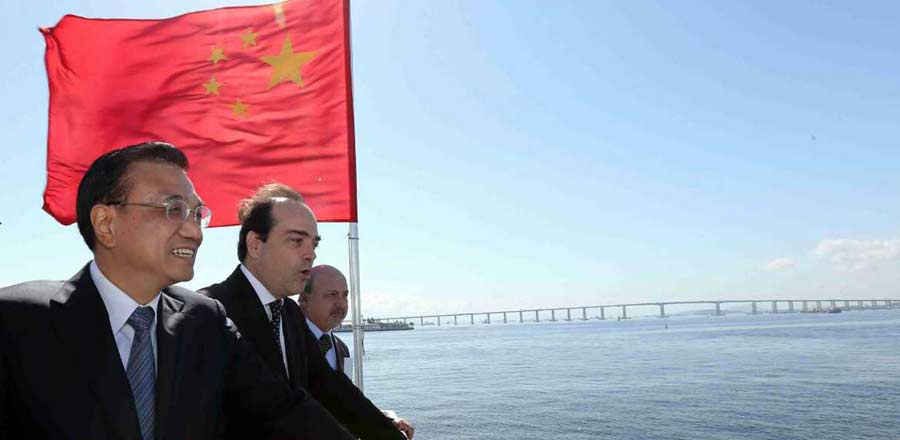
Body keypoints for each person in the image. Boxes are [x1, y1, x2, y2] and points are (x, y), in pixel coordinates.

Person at [0, 142, 355, 440]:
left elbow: (286, 412)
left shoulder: (206, 322)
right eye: (173, 210)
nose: (194, 232)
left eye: (197, 214)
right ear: (106, 224)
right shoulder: (17, 323)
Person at [200, 183, 406, 440]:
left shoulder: (289, 313)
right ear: (255, 244)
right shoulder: (210, 313)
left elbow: (330, 388)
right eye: (297, 241)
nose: (310, 254)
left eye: (313, 244)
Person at [300, 265, 416, 440]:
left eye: (345, 295)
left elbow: (345, 402)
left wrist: (387, 422)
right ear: (304, 299)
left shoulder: (343, 350)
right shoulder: (288, 342)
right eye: (332, 295)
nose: (341, 304)